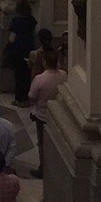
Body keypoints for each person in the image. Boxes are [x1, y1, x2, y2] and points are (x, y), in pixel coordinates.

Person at [28, 47, 67, 177]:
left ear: (44, 62)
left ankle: (43, 168)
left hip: (42, 114)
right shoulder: (64, 75)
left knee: (42, 143)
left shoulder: (39, 79)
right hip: (59, 113)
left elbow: (32, 97)